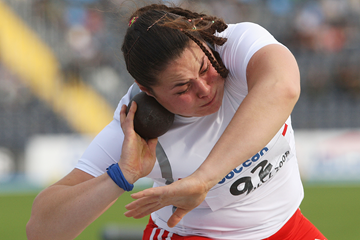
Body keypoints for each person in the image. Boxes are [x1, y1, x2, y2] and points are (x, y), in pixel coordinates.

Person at [26, 3, 327, 240]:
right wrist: (122, 175)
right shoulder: (137, 129)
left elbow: (283, 86)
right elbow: (41, 230)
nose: (205, 89)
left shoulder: (235, 44)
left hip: (288, 226)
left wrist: (203, 180)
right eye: (182, 88)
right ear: (148, 91)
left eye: (204, 67)